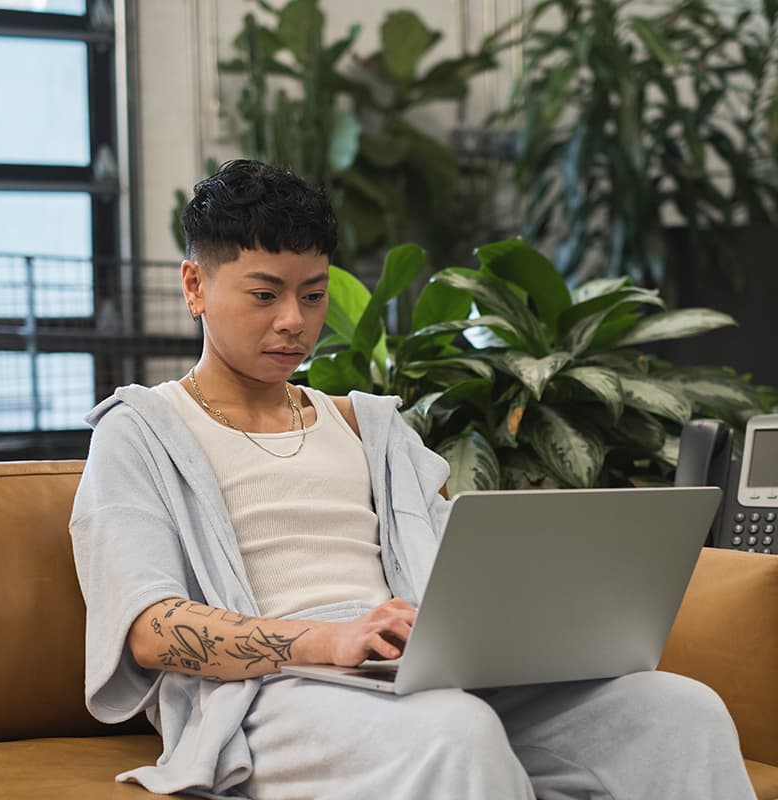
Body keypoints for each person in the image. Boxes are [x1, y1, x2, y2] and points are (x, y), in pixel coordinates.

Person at [70, 159, 756, 800]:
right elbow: (151, 628)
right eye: (264, 294)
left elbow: (453, 564)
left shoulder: (373, 428)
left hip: (418, 671)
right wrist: (327, 641)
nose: (293, 322)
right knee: (456, 730)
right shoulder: (140, 432)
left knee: (677, 711)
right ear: (196, 285)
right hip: (271, 691)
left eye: (312, 295)